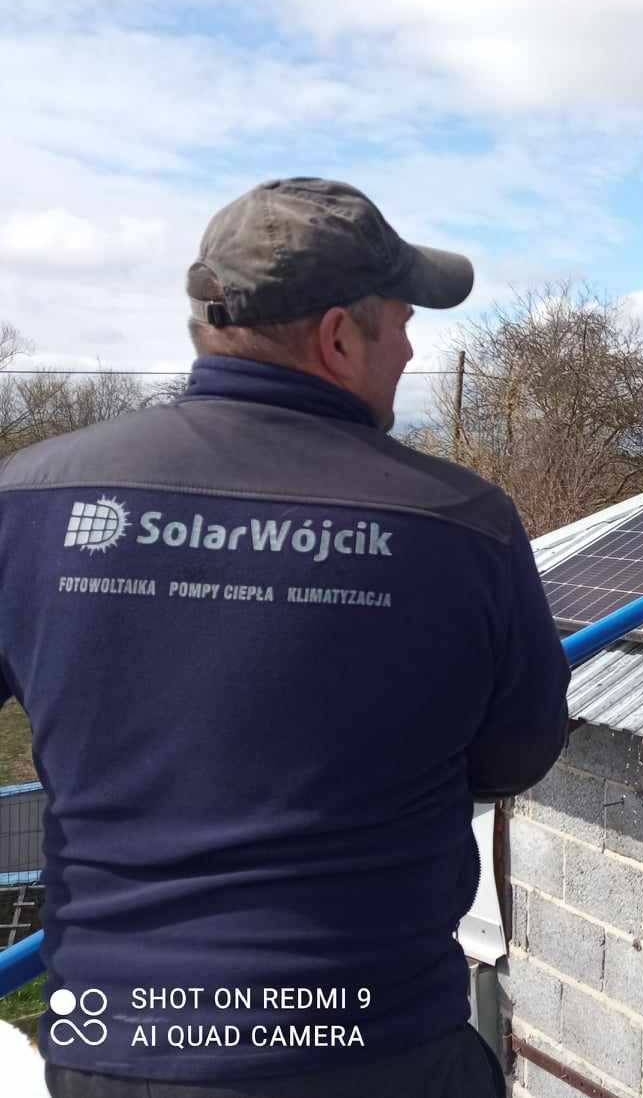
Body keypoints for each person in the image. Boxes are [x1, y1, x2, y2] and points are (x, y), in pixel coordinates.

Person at [0, 178, 570, 1096]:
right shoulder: (464, 523)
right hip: (377, 1050)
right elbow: (515, 757)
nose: (413, 344)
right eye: (401, 320)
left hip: (110, 1047)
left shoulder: (29, 498)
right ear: (340, 337)